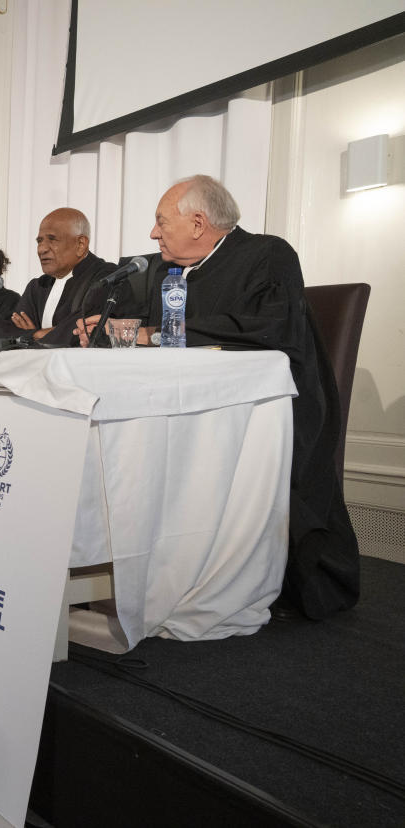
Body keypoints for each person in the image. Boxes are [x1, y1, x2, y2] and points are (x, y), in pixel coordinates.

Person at [78, 174, 358, 620]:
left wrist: (152, 335)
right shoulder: (167, 271)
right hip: (188, 403)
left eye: (160, 222)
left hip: (270, 407)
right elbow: (155, 334)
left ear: (197, 222)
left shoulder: (267, 254)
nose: (153, 233)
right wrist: (115, 329)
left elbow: (268, 328)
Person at [0, 208, 119, 346]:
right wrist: (37, 335)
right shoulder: (38, 286)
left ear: (80, 244)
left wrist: (31, 336)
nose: (41, 249)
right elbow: (2, 331)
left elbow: (81, 330)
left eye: (52, 239)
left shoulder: (107, 277)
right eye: (39, 241)